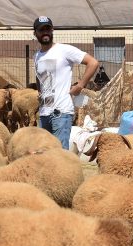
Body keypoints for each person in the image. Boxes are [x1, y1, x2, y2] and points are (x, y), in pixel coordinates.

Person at [33, 16, 99, 149]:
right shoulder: (37, 56)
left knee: (60, 155)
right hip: (44, 112)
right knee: (45, 154)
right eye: (41, 30)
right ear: (35, 33)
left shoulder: (64, 50)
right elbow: (39, 77)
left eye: (48, 29)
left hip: (60, 112)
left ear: (52, 31)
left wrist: (80, 85)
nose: (45, 32)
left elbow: (93, 62)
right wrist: (40, 92)